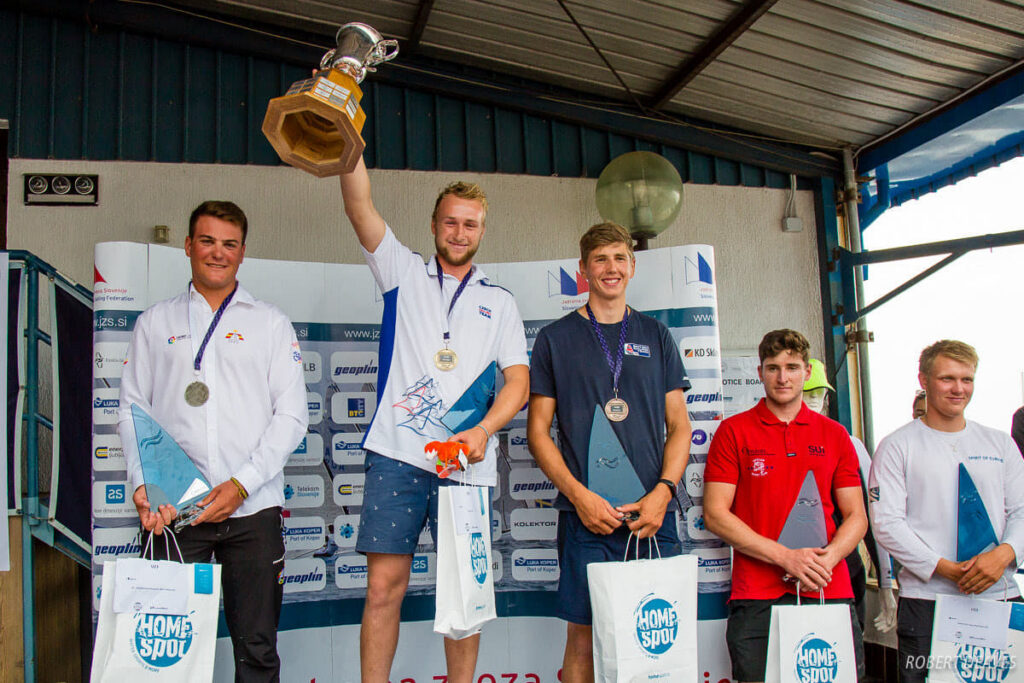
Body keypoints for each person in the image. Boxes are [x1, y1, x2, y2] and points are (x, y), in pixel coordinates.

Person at [338, 157, 529, 683]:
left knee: (464, 596)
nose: (459, 232)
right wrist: (346, 143)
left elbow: (518, 382)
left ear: (482, 230)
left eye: (470, 223)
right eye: (450, 221)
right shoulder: (401, 271)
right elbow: (360, 207)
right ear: (434, 225)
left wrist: (485, 430)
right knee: (382, 589)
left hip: (465, 466)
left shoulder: (501, 302)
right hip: (398, 457)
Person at [118, 200, 309, 681]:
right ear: (187, 246)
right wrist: (144, 483)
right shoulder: (154, 323)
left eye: (229, 244)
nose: (217, 253)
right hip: (174, 509)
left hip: (252, 511)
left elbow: (291, 417)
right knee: (164, 657)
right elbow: (132, 411)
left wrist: (240, 486)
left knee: (258, 651)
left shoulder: (269, 323)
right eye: (207, 241)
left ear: (243, 253)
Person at [527, 221, 691, 683]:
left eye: (619, 258)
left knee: (657, 636)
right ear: (583, 270)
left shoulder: (656, 335)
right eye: (600, 259)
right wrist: (580, 498)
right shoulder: (555, 339)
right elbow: (538, 431)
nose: (610, 268)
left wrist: (663, 493)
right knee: (582, 636)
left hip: (652, 514)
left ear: (633, 266)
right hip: (587, 517)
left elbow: (679, 426)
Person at [703, 329, 867, 683]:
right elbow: (715, 514)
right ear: (759, 372)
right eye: (773, 367)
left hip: (827, 586)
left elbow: (856, 517)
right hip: (758, 593)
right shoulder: (733, 432)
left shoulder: (835, 434)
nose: (782, 376)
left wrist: (829, 558)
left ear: (807, 372)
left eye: (792, 367)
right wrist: (785, 557)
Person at [869, 340, 1024, 683]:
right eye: (947, 379)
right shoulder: (897, 446)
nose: (959, 389)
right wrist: (945, 569)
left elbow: (1022, 510)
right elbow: (886, 523)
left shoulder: (1000, 443)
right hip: (927, 602)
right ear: (924, 380)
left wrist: (1004, 554)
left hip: (1001, 595)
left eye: (967, 380)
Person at [803, 358, 896, 634]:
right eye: (806, 393)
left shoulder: (847, 443)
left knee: (844, 656)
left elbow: (870, 514)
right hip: (781, 570)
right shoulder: (760, 440)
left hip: (842, 566)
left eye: (818, 394)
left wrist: (886, 582)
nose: (812, 401)